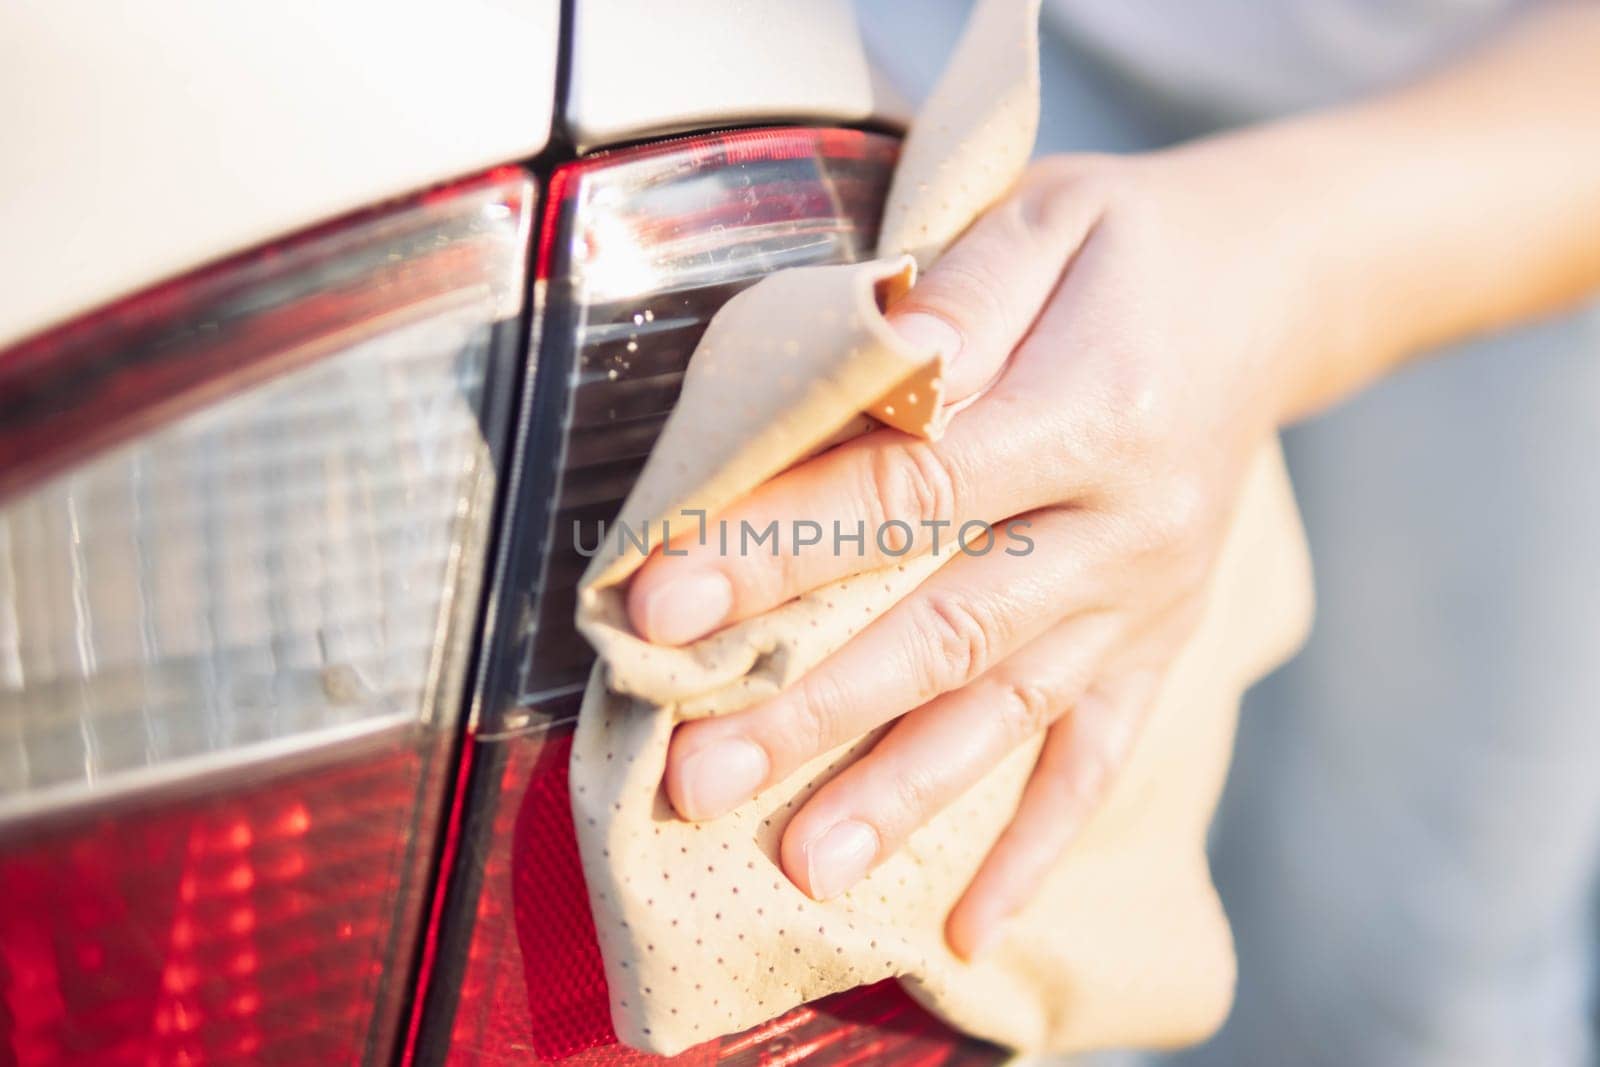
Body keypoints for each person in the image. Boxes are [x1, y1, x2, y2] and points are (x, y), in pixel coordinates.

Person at [633, 2, 1600, 1062]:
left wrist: (1281, 269)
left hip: (1525, 113)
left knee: (1407, 957)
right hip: (971, 48)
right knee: (1007, 898)